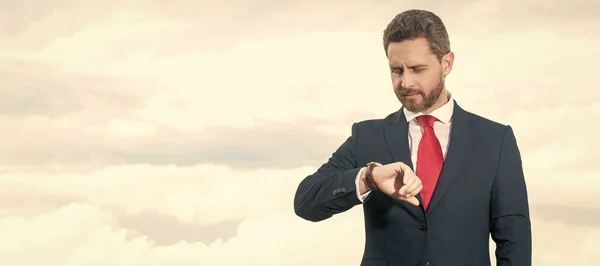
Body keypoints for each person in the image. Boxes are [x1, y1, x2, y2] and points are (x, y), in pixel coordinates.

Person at [293, 9, 532, 266]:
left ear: (447, 63)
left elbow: (513, 241)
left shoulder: (495, 140)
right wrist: (369, 178)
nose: (405, 82)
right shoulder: (367, 136)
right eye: (397, 70)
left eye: (417, 69)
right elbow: (306, 201)